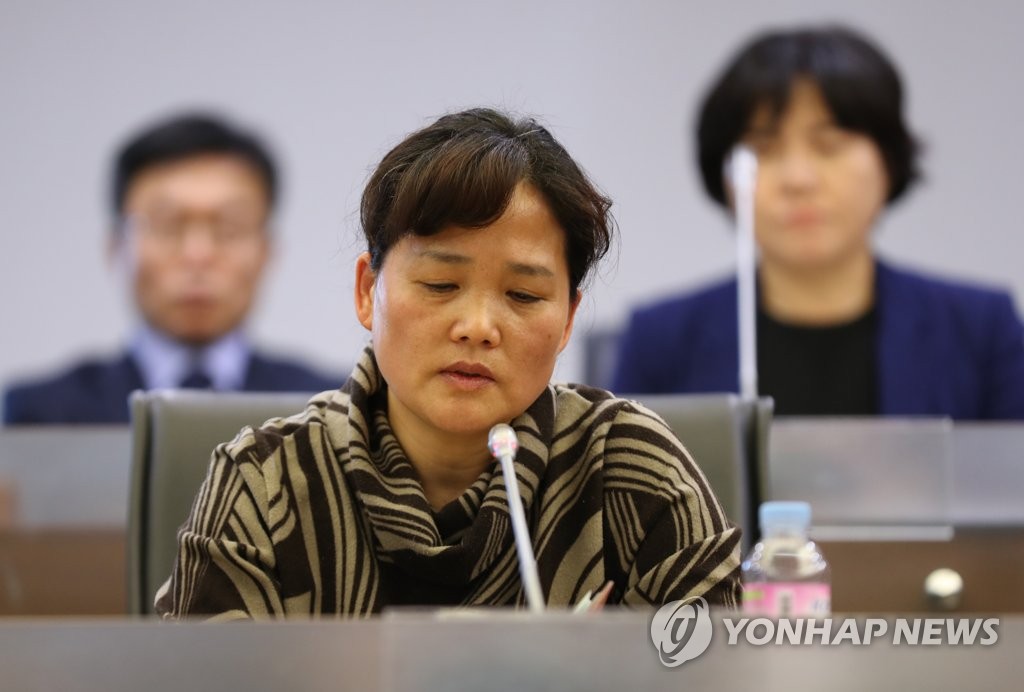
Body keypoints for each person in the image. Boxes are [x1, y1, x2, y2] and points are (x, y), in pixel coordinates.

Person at [155, 108, 741, 618]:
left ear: (567, 320)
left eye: (523, 295)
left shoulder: (630, 469)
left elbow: (717, 669)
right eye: (441, 284)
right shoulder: (265, 482)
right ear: (367, 291)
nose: (478, 327)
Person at [612, 25, 1024, 419]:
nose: (798, 179)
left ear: (889, 163)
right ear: (726, 176)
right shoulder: (660, 341)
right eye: (763, 148)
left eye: (829, 145)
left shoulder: (983, 331)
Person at [3, 113, 341, 424]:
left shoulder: (329, 412)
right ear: (116, 247)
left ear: (267, 252)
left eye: (229, 228)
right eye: (166, 225)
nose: (198, 255)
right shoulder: (43, 415)